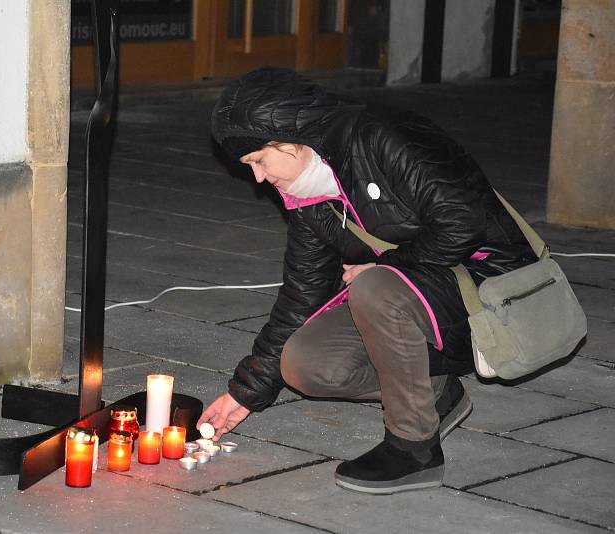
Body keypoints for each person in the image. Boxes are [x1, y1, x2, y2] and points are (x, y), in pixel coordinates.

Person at [197, 67, 536, 494]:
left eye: (259, 161)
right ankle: (435, 393)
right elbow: (303, 294)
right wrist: (245, 393)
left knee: (373, 285)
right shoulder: (309, 195)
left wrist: (390, 266)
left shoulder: (383, 136)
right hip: (412, 295)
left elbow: (461, 222)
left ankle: (414, 449)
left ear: (288, 137)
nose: (259, 178)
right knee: (306, 364)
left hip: (488, 291)